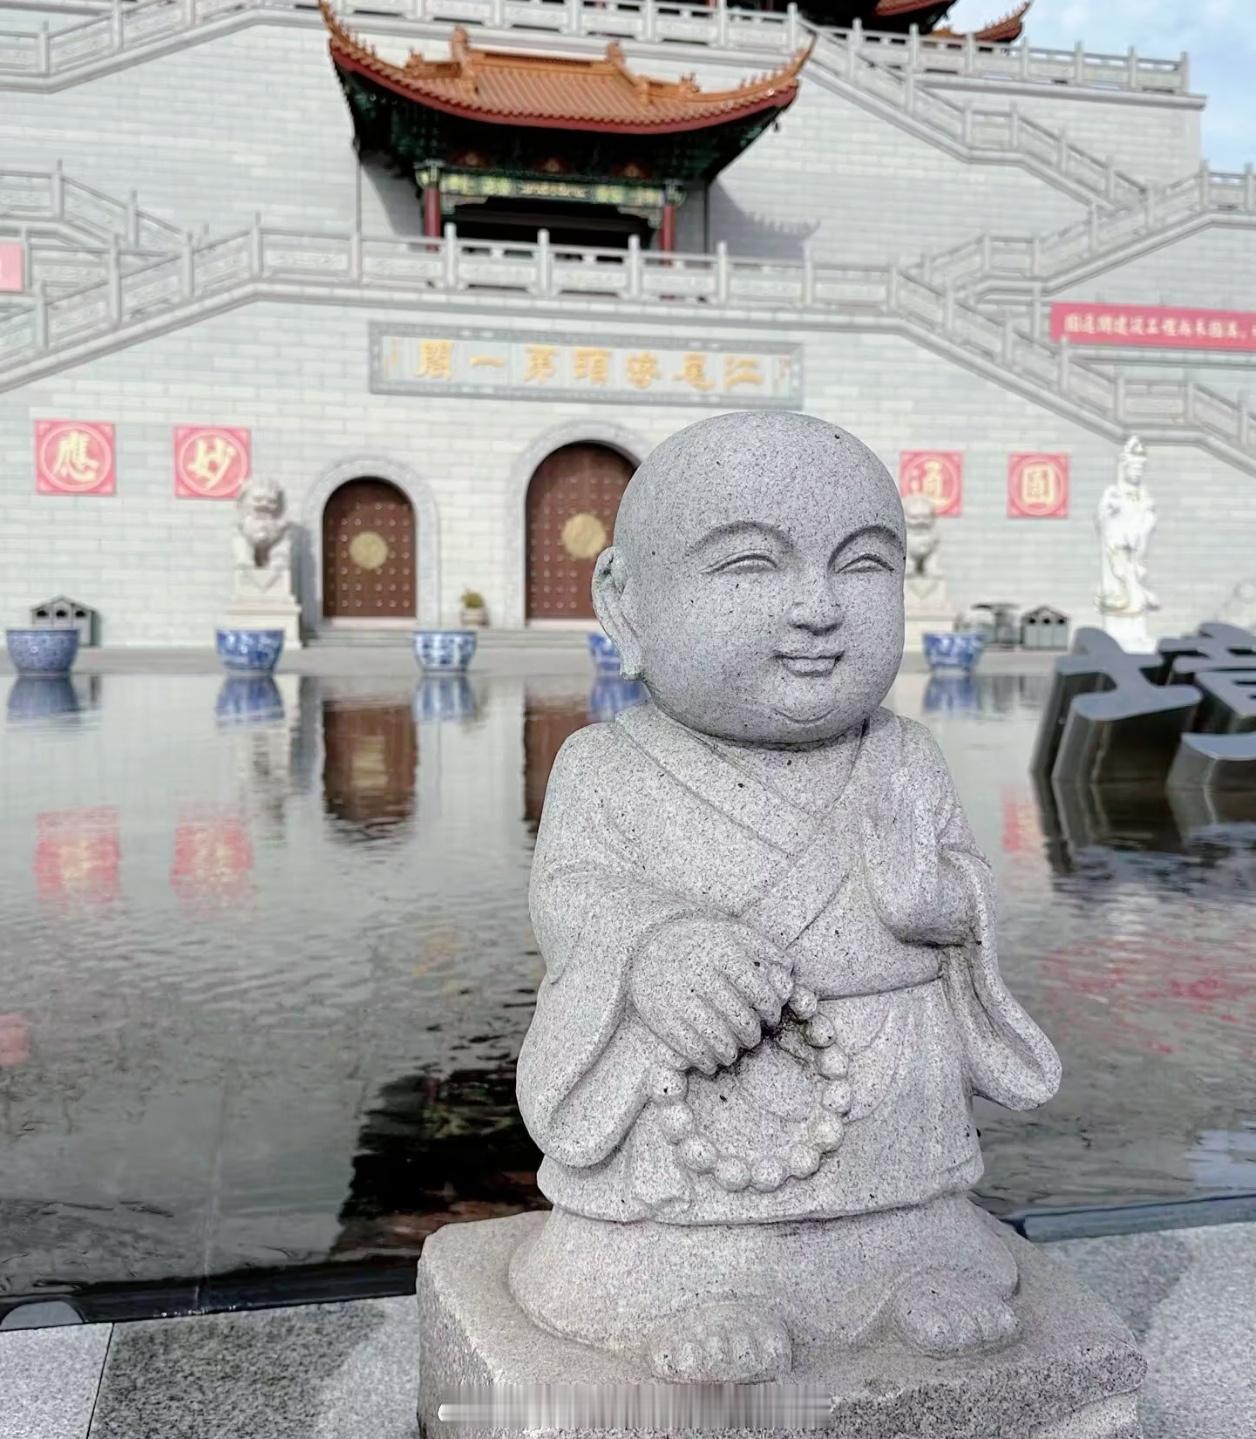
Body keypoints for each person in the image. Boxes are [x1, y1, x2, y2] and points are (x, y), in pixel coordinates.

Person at [509, 411, 1060, 1381]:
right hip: (703, 1088)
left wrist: (938, 904)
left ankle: (914, 1260)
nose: (818, 608)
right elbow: (570, 897)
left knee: (916, 1204)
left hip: (890, 1075)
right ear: (625, 604)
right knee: (662, 1234)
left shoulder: (903, 755)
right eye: (751, 565)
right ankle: (699, 1281)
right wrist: (654, 945)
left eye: (862, 564)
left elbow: (969, 893)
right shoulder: (605, 765)